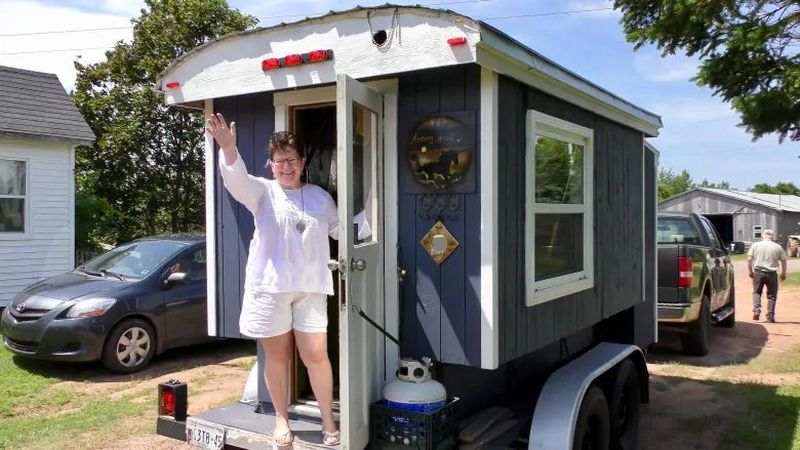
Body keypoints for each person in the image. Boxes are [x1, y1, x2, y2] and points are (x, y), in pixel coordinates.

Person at [206, 113, 341, 447]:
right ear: (270, 165)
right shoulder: (262, 193)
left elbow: (343, 231)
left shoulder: (321, 198)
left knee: (316, 355)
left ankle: (328, 421)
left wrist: (371, 211)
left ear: (303, 161)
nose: (285, 167)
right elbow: (235, 181)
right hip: (271, 289)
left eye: (291, 160)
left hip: (310, 289)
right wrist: (228, 149)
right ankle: (282, 419)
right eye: (279, 161)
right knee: (277, 357)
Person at [747, 229, 788, 323]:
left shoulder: (755, 245)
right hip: (772, 273)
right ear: (772, 237)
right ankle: (770, 316)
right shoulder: (777, 247)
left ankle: (756, 311)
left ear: (763, 235)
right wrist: (783, 273)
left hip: (758, 272)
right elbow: (783, 261)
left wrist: (750, 271)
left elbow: (749, 259)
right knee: (772, 295)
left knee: (757, 292)